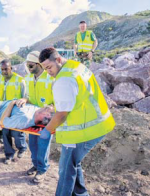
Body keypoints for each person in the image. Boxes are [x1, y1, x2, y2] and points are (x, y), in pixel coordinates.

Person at [38, 47, 115, 196]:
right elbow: (79, 96)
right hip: (98, 122)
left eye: (49, 67)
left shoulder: (64, 80)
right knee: (73, 163)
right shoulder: (75, 66)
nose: (48, 72)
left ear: (58, 60)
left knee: (66, 169)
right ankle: (81, 193)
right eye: (45, 69)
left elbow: (62, 115)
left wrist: (47, 130)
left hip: (83, 131)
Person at [15, 51, 55, 183]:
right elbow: (30, 98)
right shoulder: (28, 79)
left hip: (47, 117)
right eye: (27, 66)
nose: (28, 69)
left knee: (43, 144)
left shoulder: (51, 78)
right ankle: (36, 164)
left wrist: (51, 106)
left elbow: (59, 99)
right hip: (33, 116)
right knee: (32, 144)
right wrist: (24, 100)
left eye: (31, 66)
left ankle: (42, 169)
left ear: (39, 64)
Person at [0, 59, 27, 164]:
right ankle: (9, 154)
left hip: (16, 111)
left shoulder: (20, 80)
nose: (4, 71)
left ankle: (22, 148)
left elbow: (25, 97)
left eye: (6, 69)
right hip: (4, 110)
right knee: (5, 132)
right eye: (2, 69)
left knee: (17, 132)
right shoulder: (0, 79)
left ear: (11, 68)